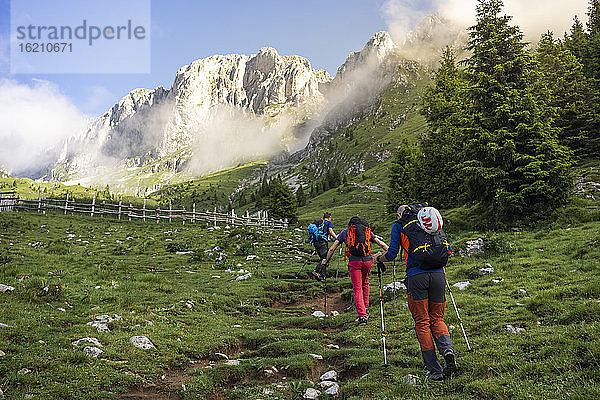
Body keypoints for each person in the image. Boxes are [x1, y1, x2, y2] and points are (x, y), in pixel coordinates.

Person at [374, 204, 457, 381]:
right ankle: (447, 349)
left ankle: (434, 370)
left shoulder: (400, 225)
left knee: (422, 322)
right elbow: (447, 249)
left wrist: (378, 258)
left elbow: (392, 254)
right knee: (437, 318)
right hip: (438, 275)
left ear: (399, 215)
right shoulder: (427, 221)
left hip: (416, 277)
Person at [320, 217, 388, 325]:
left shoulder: (344, 232)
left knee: (357, 288)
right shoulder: (367, 231)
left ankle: (362, 316)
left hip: (354, 262)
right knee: (365, 283)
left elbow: (332, 248)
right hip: (368, 261)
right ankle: (366, 307)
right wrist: (390, 253)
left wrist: (325, 261)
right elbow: (381, 243)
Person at [310, 212, 336, 281]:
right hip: (322, 242)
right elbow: (330, 231)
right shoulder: (328, 223)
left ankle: (322, 276)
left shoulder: (319, 223)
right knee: (325, 258)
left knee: (323, 258)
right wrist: (337, 238)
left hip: (315, 242)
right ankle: (316, 271)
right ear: (329, 217)